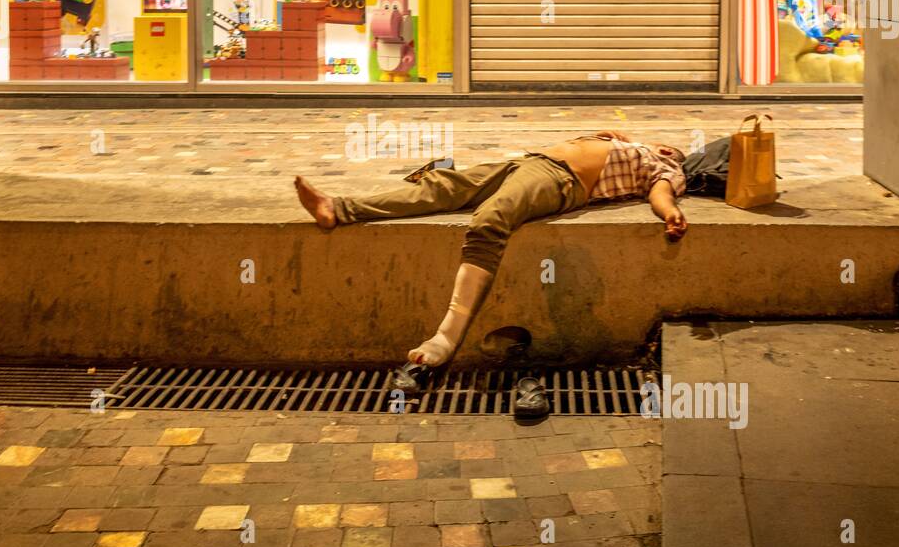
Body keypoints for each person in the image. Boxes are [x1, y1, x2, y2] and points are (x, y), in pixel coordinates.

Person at [294, 130, 688, 385]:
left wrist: (670, 213)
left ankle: (447, 336)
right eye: (665, 145)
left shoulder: (663, 165)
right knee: (441, 186)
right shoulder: (625, 141)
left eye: (674, 150)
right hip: (528, 162)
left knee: (490, 219)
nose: (666, 147)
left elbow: (662, 192)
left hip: (561, 181)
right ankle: (338, 208)